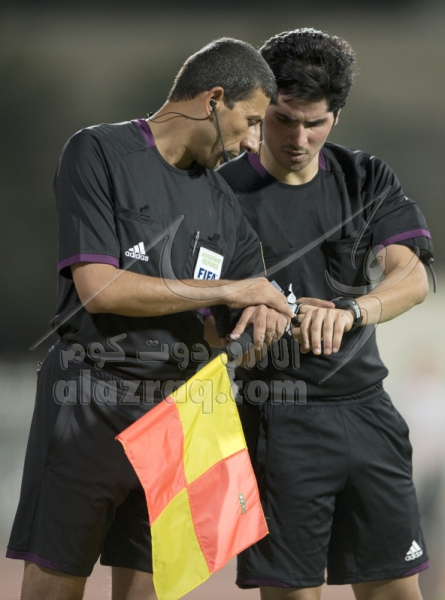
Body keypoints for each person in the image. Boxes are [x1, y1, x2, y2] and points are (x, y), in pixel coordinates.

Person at [6, 38, 293, 600]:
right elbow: (98, 287)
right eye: (252, 122)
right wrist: (233, 288)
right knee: (53, 587)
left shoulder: (225, 206)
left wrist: (261, 320)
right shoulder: (98, 151)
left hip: (180, 408)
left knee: (151, 591)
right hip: (87, 397)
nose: (254, 144)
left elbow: (232, 324)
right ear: (214, 99)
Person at [217, 28, 434, 600]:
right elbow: (202, 314)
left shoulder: (365, 176)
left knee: (396, 590)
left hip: (368, 412)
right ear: (261, 108)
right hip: (276, 417)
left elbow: (412, 276)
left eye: (315, 123)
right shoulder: (218, 194)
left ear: (336, 115)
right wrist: (248, 326)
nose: (299, 138)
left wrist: (352, 311)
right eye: (284, 120)